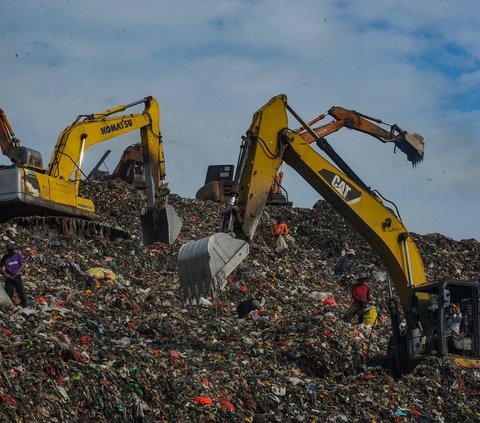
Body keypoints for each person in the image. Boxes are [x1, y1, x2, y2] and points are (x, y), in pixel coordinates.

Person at [0, 242, 28, 308]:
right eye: (10, 250)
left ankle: (25, 305)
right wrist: (6, 274)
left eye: (12, 249)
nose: (12, 251)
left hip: (17, 277)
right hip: (9, 277)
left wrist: (17, 272)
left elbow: (23, 264)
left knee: (21, 291)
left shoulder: (18, 255)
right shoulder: (5, 257)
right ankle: (10, 306)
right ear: (8, 250)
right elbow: (0, 267)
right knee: (9, 292)